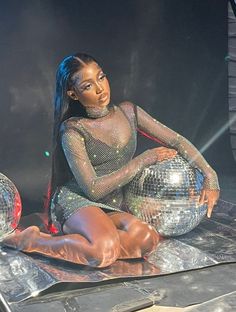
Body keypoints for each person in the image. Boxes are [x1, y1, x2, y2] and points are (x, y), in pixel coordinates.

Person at [3, 53, 220, 268]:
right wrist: (143, 160)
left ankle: (97, 243)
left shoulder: (129, 112)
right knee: (101, 252)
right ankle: (33, 241)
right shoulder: (73, 129)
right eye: (88, 86)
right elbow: (93, 190)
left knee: (147, 239)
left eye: (101, 77)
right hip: (78, 200)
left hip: (113, 202)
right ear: (73, 93)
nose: (100, 89)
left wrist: (210, 176)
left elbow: (177, 140)